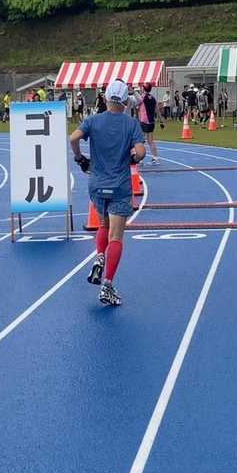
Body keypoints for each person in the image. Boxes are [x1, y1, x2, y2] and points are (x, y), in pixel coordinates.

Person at [70, 78, 146, 309]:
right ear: (125, 101)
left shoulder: (92, 120)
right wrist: (134, 157)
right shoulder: (131, 124)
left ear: (105, 98)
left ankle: (99, 257)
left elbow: (73, 138)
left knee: (103, 225)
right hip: (119, 186)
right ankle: (108, 284)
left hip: (97, 184)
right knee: (116, 237)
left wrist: (80, 159)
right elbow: (140, 152)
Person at [138, 84, 160, 163]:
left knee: (141, 140)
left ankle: (140, 158)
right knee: (151, 141)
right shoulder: (153, 98)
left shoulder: (142, 97)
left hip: (144, 120)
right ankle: (155, 157)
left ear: (144, 89)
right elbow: (157, 109)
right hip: (151, 121)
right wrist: (161, 120)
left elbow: (136, 106)